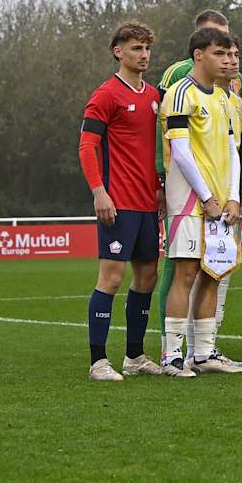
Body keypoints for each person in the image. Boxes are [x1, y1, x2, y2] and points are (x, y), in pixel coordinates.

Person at [155, 10, 241, 366]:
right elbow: (182, 151)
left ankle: (203, 353)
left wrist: (233, 196)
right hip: (191, 199)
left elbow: (233, 151)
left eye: (229, 54)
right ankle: (172, 356)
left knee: (212, 272)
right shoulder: (180, 93)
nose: (227, 60)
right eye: (219, 53)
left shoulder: (226, 99)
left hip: (222, 201)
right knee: (186, 271)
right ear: (199, 55)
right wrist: (206, 197)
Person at [79, 22, 164, 381]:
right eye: (135, 48)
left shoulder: (155, 96)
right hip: (118, 202)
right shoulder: (106, 95)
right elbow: (87, 147)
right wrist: (99, 191)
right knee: (111, 279)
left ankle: (135, 356)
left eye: (146, 49)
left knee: (147, 277)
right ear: (118, 51)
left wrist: (161, 187)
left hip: (148, 204)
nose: (143, 55)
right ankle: (98, 361)